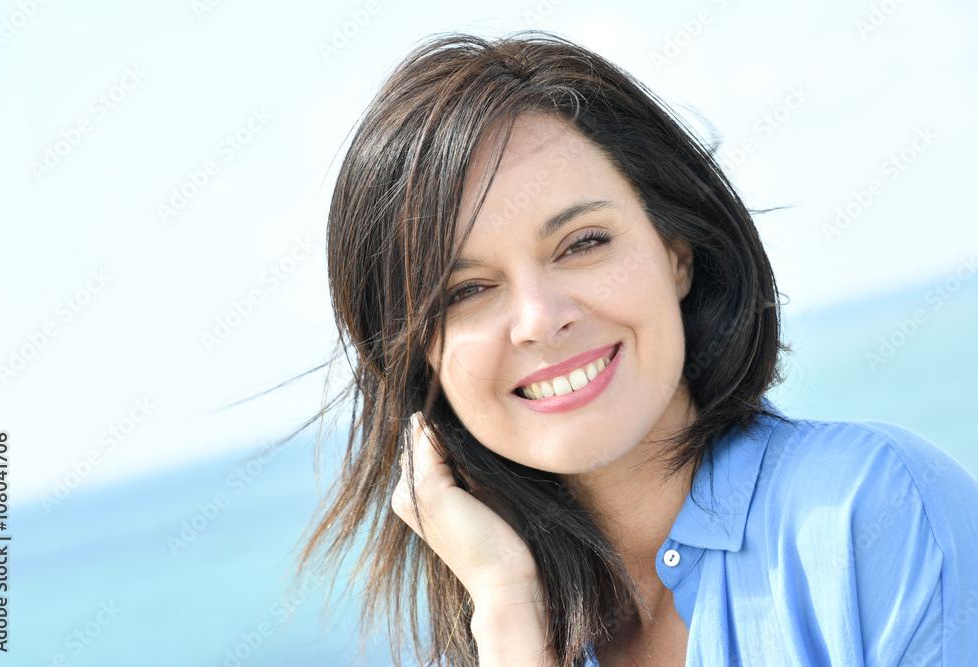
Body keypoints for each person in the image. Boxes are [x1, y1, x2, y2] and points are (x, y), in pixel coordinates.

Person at [299, 31, 978, 666]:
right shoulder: (508, 623)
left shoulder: (875, 512)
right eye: (468, 290)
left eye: (583, 243)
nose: (539, 319)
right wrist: (508, 610)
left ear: (677, 250)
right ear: (421, 357)